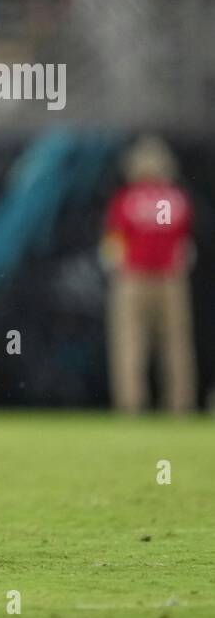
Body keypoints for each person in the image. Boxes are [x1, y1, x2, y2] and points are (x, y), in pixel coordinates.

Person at [103, 136, 197, 414]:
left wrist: (117, 267)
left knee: (130, 343)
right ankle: (181, 405)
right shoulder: (177, 198)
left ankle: (131, 405)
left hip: (133, 278)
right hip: (170, 279)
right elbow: (185, 246)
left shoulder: (127, 199)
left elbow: (114, 243)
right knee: (177, 345)